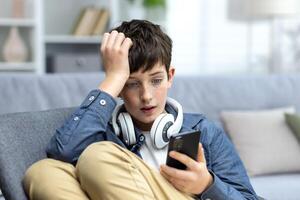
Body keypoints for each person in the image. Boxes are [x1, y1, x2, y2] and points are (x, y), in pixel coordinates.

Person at [23, 19, 258, 200]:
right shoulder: (105, 133)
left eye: (156, 80)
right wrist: (114, 78)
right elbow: (61, 153)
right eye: (132, 84)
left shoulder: (204, 131)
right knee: (43, 173)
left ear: (170, 77)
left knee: (97, 156)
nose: (146, 96)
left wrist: (206, 185)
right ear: (120, 89)